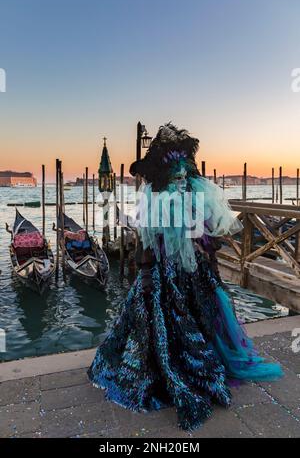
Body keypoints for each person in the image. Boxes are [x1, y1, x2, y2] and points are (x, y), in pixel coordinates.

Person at [87, 123, 283, 431]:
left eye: (183, 172)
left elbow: (204, 239)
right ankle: (165, 370)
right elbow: (150, 243)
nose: (180, 178)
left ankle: (199, 364)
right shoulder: (155, 199)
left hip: (194, 273)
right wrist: (149, 273)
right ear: (164, 173)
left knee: (204, 314)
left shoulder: (196, 195)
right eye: (174, 174)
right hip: (165, 272)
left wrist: (210, 266)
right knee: (155, 321)